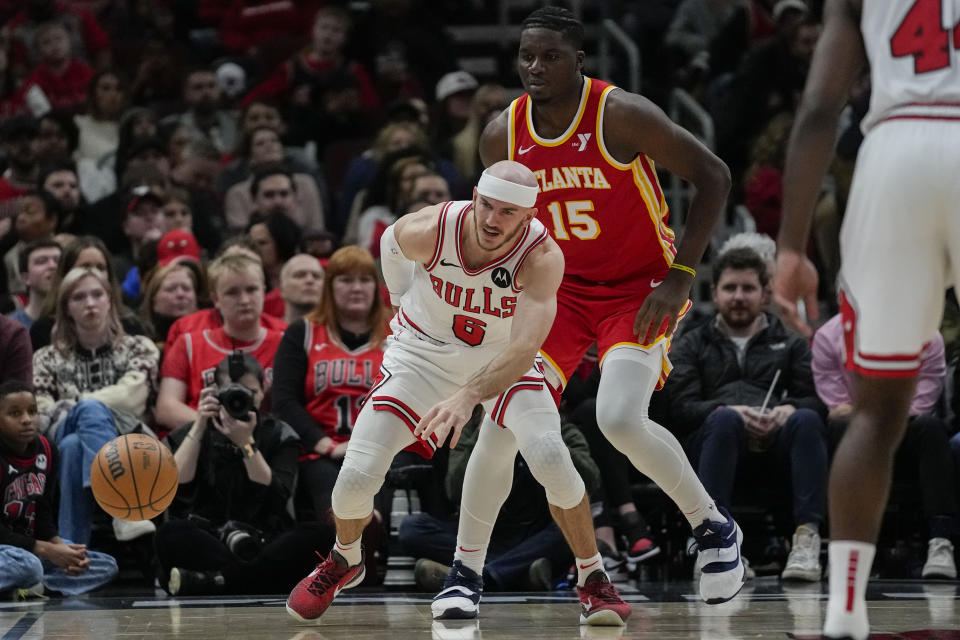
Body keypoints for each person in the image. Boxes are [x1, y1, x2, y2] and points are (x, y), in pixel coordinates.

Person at [286, 161, 632, 626]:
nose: (492, 220)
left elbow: (527, 347)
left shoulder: (542, 257)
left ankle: (592, 578)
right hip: (422, 356)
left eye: (508, 212)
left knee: (551, 455)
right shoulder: (432, 227)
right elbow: (389, 242)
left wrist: (468, 396)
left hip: (501, 359)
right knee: (352, 484)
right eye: (486, 205)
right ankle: (346, 557)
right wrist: (399, 297)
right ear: (474, 195)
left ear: (529, 217)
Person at [480, 6, 743, 604]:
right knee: (501, 417)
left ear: (580, 61)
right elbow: (503, 223)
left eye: (550, 56)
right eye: (526, 56)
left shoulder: (621, 114)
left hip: (640, 287)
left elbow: (715, 177)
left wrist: (680, 278)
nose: (535, 67)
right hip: (561, 293)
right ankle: (465, 574)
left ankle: (713, 526)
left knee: (618, 417)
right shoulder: (502, 134)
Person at [773, 1, 960, 637]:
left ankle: (846, 610)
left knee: (876, 414)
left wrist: (792, 246)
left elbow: (821, 108)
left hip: (895, 154)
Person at [666, 248, 829, 583]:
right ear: (715, 293)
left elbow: (818, 402)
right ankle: (712, 543)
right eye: (730, 288)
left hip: (775, 448)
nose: (738, 297)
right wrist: (727, 411)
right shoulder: (692, 342)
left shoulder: (791, 343)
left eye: (748, 288)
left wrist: (789, 409)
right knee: (725, 421)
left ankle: (806, 540)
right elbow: (679, 409)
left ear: (765, 294)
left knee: (806, 420)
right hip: (715, 444)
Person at [157, 354, 326, 596]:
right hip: (209, 540)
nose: (241, 400)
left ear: (263, 391)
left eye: (250, 392)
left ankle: (216, 581)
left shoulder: (280, 434)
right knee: (169, 534)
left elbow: (278, 495)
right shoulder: (193, 431)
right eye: (233, 392)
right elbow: (174, 487)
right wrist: (199, 425)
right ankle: (247, 579)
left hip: (264, 539)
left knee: (319, 535)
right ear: (215, 392)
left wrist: (246, 443)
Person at [812, 314, 957, 579]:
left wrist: (868, 411)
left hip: (905, 434)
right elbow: (836, 409)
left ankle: (940, 542)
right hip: (857, 437)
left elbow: (921, 403)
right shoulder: (827, 337)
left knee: (930, 427)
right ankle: (847, 547)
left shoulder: (928, 337)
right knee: (839, 429)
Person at [32, 267, 159, 545]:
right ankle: (121, 505)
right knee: (88, 415)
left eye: (97, 294)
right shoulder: (46, 357)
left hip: (131, 440)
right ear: (66, 307)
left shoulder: (139, 347)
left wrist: (76, 403)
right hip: (60, 434)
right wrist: (88, 409)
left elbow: (132, 400)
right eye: (79, 297)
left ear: (110, 300)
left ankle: (70, 559)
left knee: (75, 445)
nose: (90, 303)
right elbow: (41, 415)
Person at [273, 247, 387, 520]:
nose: (356, 288)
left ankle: (369, 534)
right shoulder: (303, 332)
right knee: (333, 506)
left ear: (376, 286)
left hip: (382, 448)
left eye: (365, 279)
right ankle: (352, 538)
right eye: (346, 280)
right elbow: (285, 401)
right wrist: (325, 444)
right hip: (321, 450)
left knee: (375, 490)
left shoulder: (398, 330)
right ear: (329, 287)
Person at [0, 381, 118, 598]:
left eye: (32, 411)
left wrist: (58, 546)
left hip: (29, 549)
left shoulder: (46, 450)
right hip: (11, 551)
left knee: (104, 565)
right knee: (29, 566)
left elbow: (42, 514)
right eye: (15, 413)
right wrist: (46, 550)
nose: (27, 419)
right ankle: (28, 582)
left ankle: (28, 589)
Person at [156, 253, 284, 431]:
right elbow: (167, 408)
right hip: (205, 445)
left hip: (269, 445)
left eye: (251, 290)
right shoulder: (189, 344)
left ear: (263, 291)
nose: (245, 300)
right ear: (215, 299)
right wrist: (222, 429)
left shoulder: (285, 344)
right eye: (232, 292)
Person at [9, 239, 61, 329]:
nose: (52, 266)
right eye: (42, 261)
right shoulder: (9, 326)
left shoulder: (79, 322)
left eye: (58, 261)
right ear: (26, 278)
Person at [277, 254, 324, 325]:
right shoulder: (270, 331)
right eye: (300, 275)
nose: (310, 280)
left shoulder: (337, 333)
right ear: (282, 289)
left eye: (316, 276)